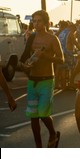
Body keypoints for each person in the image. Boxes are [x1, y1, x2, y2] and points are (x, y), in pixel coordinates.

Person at [20, 10, 64, 148]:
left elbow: (61, 59)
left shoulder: (52, 39)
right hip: (33, 79)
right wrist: (26, 64)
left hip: (46, 79)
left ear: (46, 23)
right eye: (34, 21)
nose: (36, 23)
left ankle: (53, 133)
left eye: (39, 21)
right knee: (33, 116)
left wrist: (46, 57)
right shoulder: (31, 38)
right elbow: (24, 57)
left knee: (44, 114)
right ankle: (38, 147)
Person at [56, 23, 80, 90]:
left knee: (62, 69)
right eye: (74, 31)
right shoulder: (70, 33)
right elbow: (75, 42)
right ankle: (71, 83)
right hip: (68, 53)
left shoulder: (62, 32)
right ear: (72, 28)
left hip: (61, 52)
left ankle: (62, 85)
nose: (74, 33)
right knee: (71, 69)